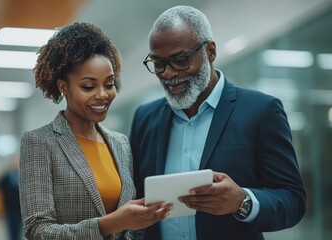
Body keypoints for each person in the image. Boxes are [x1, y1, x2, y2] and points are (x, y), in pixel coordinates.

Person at [129, 5, 306, 240]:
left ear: (210, 52)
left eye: (180, 60)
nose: (168, 74)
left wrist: (242, 201)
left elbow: (293, 200)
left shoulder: (261, 111)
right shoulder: (145, 117)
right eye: (158, 63)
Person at [19, 22, 171, 240]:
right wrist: (109, 223)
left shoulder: (120, 144)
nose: (102, 95)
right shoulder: (40, 142)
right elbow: (37, 230)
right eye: (88, 87)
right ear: (64, 87)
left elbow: (130, 227)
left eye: (109, 85)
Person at [0, 156, 22, 240]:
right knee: (12, 229)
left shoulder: (22, 176)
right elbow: (2, 191)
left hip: (21, 208)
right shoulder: (5, 177)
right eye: (13, 162)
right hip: (10, 208)